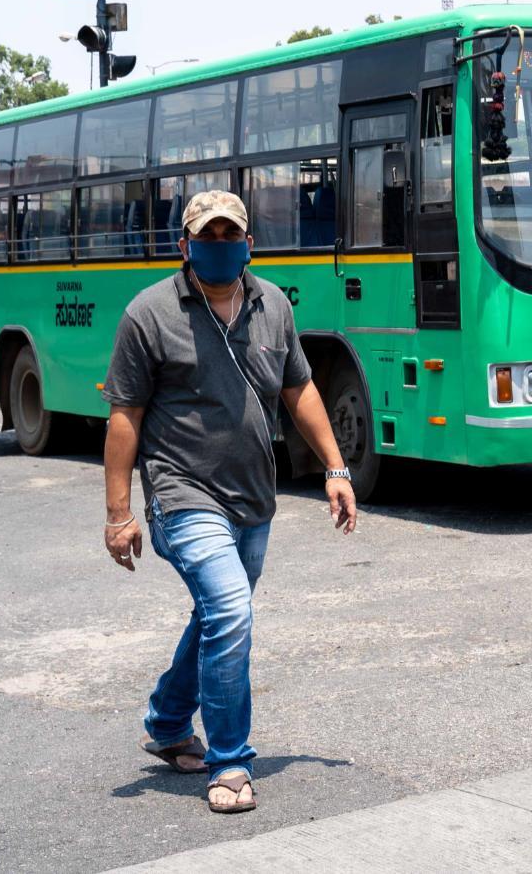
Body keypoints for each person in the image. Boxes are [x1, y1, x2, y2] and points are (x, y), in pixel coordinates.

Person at [102, 190, 359, 815]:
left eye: (230, 235)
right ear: (184, 245)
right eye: (206, 236)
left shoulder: (273, 305)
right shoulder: (149, 314)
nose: (219, 246)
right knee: (231, 609)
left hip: (252, 494)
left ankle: (166, 721)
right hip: (180, 491)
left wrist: (335, 467)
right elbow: (125, 418)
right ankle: (231, 761)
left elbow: (299, 390)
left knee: (223, 611)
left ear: (249, 242)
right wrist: (119, 513)